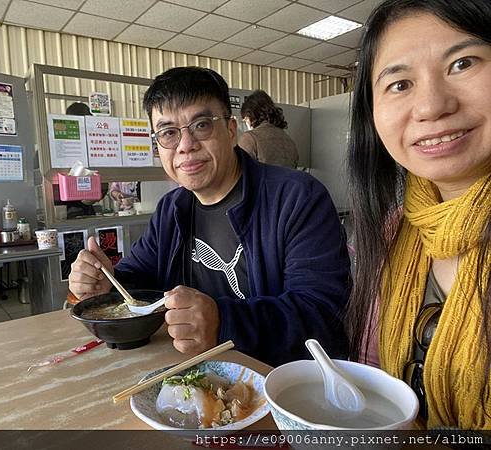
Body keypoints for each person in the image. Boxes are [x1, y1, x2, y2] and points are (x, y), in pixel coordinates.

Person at [69, 67, 350, 367]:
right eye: (168, 133)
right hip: (197, 378)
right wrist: (106, 286)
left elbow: (323, 314)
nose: (185, 145)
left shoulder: (297, 198)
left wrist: (223, 322)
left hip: (283, 385)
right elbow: (137, 280)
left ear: (231, 131)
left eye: (201, 125)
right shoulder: (171, 210)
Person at [345, 0, 491, 429]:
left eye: (463, 63)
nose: (430, 106)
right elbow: (374, 370)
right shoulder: (393, 230)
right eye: (400, 83)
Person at [239, 90, 299, 169]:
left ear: (250, 116)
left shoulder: (249, 138)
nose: (246, 123)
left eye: (245, 119)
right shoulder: (289, 140)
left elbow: (239, 172)